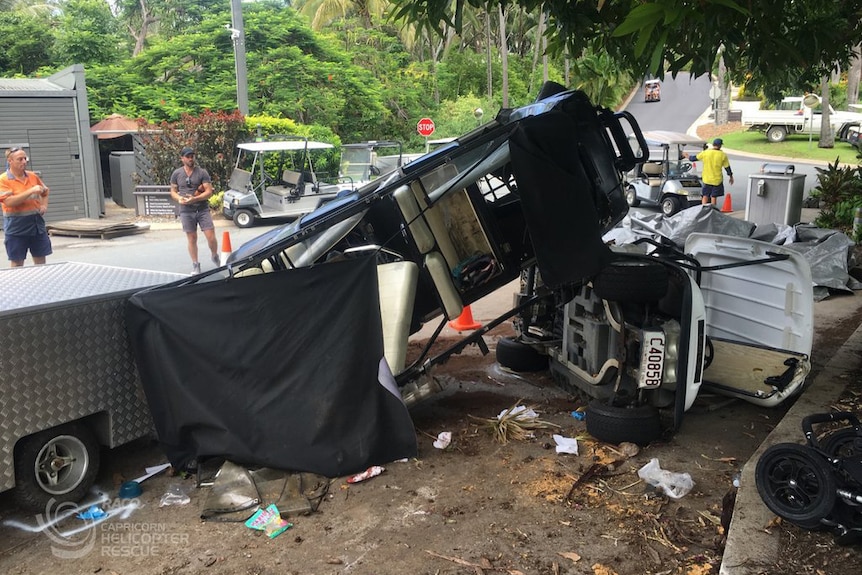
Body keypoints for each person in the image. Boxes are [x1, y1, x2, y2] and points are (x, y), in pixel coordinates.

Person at [170, 146, 219, 274]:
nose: (191, 159)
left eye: (192, 156)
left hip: (202, 209)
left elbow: (209, 191)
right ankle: (195, 264)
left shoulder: (202, 172)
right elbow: (173, 191)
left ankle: (214, 255)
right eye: (188, 156)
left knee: (211, 236)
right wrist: (179, 198)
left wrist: (195, 199)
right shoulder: (177, 173)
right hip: (186, 210)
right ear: (182, 158)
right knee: (191, 238)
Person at [0, 147, 52, 266]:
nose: (24, 162)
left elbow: (45, 192)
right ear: (10, 161)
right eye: (20, 159)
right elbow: (9, 202)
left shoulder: (32, 176)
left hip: (36, 227)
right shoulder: (3, 180)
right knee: (17, 263)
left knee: (41, 262)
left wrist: (44, 205)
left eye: (25, 158)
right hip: (16, 229)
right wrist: (30, 191)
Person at [689, 138, 734, 207]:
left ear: (713, 145)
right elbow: (727, 167)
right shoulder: (723, 155)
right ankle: (712, 211)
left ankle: (703, 209)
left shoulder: (706, 153)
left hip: (707, 179)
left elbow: (693, 158)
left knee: (705, 196)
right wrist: (731, 176)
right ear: (720, 146)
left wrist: (686, 156)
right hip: (717, 180)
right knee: (713, 196)